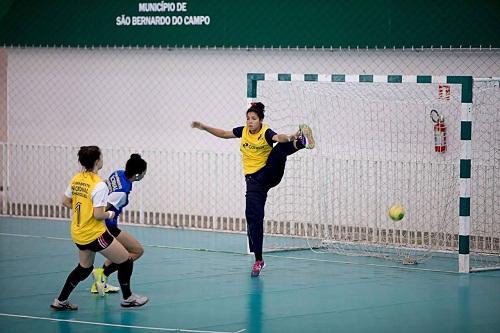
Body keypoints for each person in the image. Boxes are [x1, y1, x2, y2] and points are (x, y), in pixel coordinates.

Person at [191, 102, 315, 277]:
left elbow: (279, 137)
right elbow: (224, 134)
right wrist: (204, 127)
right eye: (248, 118)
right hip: (254, 182)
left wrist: (292, 135)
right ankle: (259, 260)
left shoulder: (266, 132)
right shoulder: (243, 131)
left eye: (254, 119)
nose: (250, 121)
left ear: (261, 120)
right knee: (253, 217)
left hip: (269, 172)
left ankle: (301, 141)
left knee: (279, 150)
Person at [50, 146, 148, 310]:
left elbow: (66, 202)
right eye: (101, 157)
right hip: (95, 233)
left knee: (84, 269)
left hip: (78, 231)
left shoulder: (77, 179)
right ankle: (128, 298)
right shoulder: (99, 185)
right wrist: (109, 215)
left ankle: (60, 301)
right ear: (97, 161)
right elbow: (98, 214)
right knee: (126, 261)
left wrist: (84, 209)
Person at [90, 154, 147, 295]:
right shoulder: (122, 193)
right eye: (144, 172)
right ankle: (101, 274)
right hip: (108, 226)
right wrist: (107, 215)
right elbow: (102, 209)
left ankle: (99, 283)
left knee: (119, 252)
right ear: (138, 175)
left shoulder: (118, 173)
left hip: (108, 225)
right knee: (137, 251)